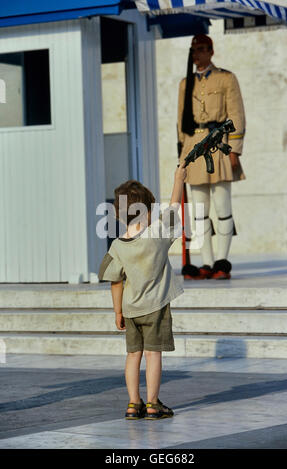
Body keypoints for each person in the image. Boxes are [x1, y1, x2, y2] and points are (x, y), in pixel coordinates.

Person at [98, 163, 186, 420]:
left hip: (130, 310)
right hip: (156, 308)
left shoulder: (117, 246)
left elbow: (115, 281)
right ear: (147, 211)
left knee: (133, 355)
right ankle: (152, 403)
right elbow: (174, 206)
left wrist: (118, 312)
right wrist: (178, 178)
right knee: (153, 354)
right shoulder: (157, 234)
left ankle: (132, 403)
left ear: (117, 215)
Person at [178, 34, 246, 280]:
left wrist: (235, 149)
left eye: (203, 49)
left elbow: (236, 114)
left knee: (222, 206)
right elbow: (181, 122)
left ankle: (222, 261)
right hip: (195, 145)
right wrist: (183, 155)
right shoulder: (186, 84)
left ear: (211, 51)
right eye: (194, 50)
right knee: (199, 210)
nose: (198, 54)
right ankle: (206, 262)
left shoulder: (226, 78)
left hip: (219, 144)